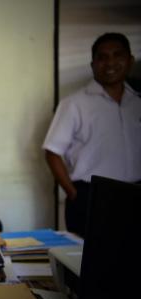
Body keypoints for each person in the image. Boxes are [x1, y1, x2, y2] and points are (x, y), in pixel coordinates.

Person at [43, 32, 141, 238]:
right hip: (91, 196)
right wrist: (73, 193)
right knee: (89, 264)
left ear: (130, 60)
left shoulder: (137, 102)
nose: (110, 63)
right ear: (93, 64)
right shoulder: (75, 104)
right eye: (102, 57)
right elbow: (52, 152)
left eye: (117, 55)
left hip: (135, 193)